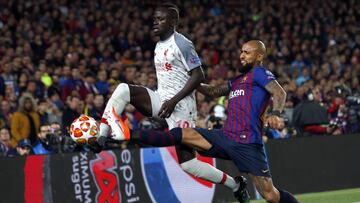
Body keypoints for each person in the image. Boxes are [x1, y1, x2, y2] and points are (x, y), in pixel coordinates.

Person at [95, 3, 249, 202]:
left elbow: (198, 75)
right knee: (123, 89)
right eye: (155, 19)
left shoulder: (182, 43)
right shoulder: (159, 45)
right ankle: (102, 135)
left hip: (182, 108)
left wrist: (174, 101)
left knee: (188, 164)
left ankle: (236, 184)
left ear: (174, 22)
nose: (155, 22)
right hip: (162, 100)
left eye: (161, 19)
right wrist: (166, 101)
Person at [111, 40, 299, 203]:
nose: (241, 55)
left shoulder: (259, 73)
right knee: (181, 134)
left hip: (247, 143)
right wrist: (191, 79)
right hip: (225, 137)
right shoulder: (239, 80)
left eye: (247, 52)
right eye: (241, 51)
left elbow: (279, 92)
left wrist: (276, 113)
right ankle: (128, 134)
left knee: (270, 196)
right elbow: (213, 92)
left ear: (259, 57)